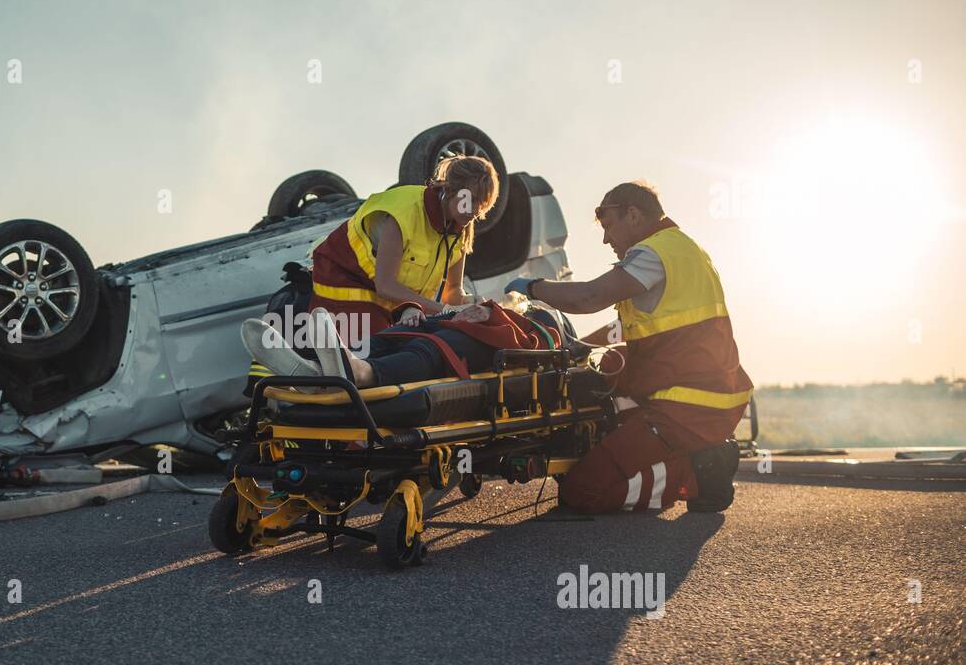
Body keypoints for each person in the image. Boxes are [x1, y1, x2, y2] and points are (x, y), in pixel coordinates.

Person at [505, 181, 753, 513]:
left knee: (581, 491)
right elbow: (632, 326)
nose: (606, 239)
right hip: (707, 394)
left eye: (609, 227)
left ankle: (699, 474)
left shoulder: (652, 253)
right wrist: (579, 347)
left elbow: (589, 297)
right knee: (610, 370)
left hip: (686, 405)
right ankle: (681, 454)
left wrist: (532, 287)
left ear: (633, 215)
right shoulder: (683, 248)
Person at [308, 155, 499, 335]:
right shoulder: (405, 212)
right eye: (471, 199)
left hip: (390, 301)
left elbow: (452, 291)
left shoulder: (462, 225)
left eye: (482, 204)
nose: (475, 210)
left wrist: (469, 303)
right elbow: (386, 286)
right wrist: (447, 311)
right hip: (344, 282)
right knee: (376, 347)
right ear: (451, 189)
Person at [241, 302, 562, 390]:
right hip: (432, 328)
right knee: (384, 338)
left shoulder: (537, 327)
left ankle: (356, 372)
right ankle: (314, 372)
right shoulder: (479, 308)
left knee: (428, 352)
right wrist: (412, 309)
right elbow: (444, 309)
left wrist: (494, 313)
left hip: (467, 344)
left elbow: (538, 344)